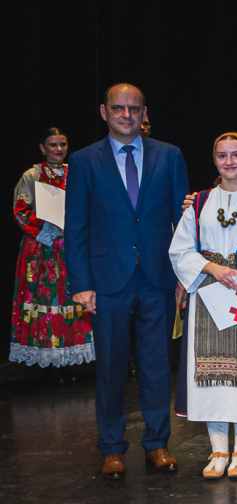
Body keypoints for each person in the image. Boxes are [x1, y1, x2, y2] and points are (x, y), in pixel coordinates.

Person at [65, 83, 189, 479]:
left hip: (158, 279)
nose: (126, 115)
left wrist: (185, 276)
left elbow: (184, 224)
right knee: (111, 368)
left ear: (144, 113)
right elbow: (76, 227)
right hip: (107, 283)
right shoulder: (84, 161)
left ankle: (157, 444)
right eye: (118, 108)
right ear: (104, 112)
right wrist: (82, 284)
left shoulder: (169, 156)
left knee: (157, 366)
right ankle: (112, 448)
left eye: (133, 109)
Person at [168, 132, 237, 480]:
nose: (229, 161)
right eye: (222, 155)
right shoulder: (200, 202)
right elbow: (180, 248)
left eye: (236, 154)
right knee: (210, 375)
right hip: (208, 290)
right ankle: (218, 449)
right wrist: (213, 268)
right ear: (214, 160)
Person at [11, 128, 95, 369]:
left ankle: (76, 359)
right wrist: (48, 231)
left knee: (75, 295)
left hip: (72, 245)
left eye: (63, 144)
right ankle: (45, 360)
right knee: (43, 299)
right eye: (53, 145)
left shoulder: (75, 172)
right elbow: (21, 210)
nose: (59, 149)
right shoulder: (32, 175)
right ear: (42, 148)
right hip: (41, 249)